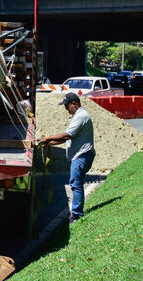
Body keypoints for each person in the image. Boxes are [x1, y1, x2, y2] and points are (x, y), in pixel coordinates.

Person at [39, 92, 95, 223]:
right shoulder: (77, 116)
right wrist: (49, 143)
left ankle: (76, 215)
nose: (65, 109)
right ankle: (76, 213)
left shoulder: (81, 116)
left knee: (76, 184)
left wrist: (49, 138)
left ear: (74, 104)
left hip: (81, 155)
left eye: (66, 106)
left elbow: (67, 136)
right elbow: (68, 138)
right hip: (80, 155)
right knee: (76, 183)